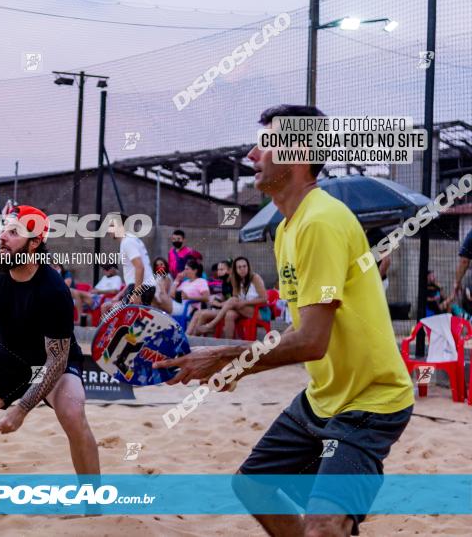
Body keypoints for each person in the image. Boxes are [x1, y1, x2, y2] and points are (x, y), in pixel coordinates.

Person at [157, 104, 414, 536]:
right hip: (324, 396)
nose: (252, 156)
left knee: (324, 524)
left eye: (263, 144)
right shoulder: (287, 228)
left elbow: (312, 342)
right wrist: (235, 361)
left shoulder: (321, 221)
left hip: (371, 400)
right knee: (253, 486)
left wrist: (228, 357)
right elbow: (301, 332)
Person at [0, 204, 99, 476]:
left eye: (14, 232)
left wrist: (21, 410)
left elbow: (56, 360)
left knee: (72, 414)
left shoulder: (53, 290)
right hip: (9, 359)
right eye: (4, 230)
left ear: (34, 243)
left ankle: (93, 505)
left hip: (52, 365)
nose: (2, 237)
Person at [196, 256, 266, 339]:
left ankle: (211, 325)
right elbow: (236, 297)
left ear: (248, 267)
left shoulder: (255, 278)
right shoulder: (235, 280)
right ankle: (229, 344)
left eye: (244, 266)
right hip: (242, 308)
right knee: (229, 314)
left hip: (260, 312)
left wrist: (244, 302)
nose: (242, 269)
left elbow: (264, 299)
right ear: (235, 269)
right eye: (239, 267)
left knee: (232, 300)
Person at [108, 213, 156, 306]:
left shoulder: (128, 241)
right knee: (111, 310)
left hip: (141, 288)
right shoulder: (130, 240)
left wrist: (137, 294)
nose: (108, 229)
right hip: (142, 286)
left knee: (120, 316)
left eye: (112, 226)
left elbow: (139, 267)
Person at [188, 260, 233, 336]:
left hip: (229, 311)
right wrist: (215, 300)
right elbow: (225, 297)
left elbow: (234, 300)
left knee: (203, 314)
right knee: (197, 313)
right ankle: (187, 335)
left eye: (222, 270)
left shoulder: (233, 282)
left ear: (229, 270)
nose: (219, 272)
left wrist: (219, 304)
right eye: (218, 270)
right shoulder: (224, 282)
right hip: (222, 309)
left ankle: (194, 338)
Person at [365, 226, 391, 291]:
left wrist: (376, 281)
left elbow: (386, 260)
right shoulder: (364, 233)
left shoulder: (378, 235)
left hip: (378, 282)